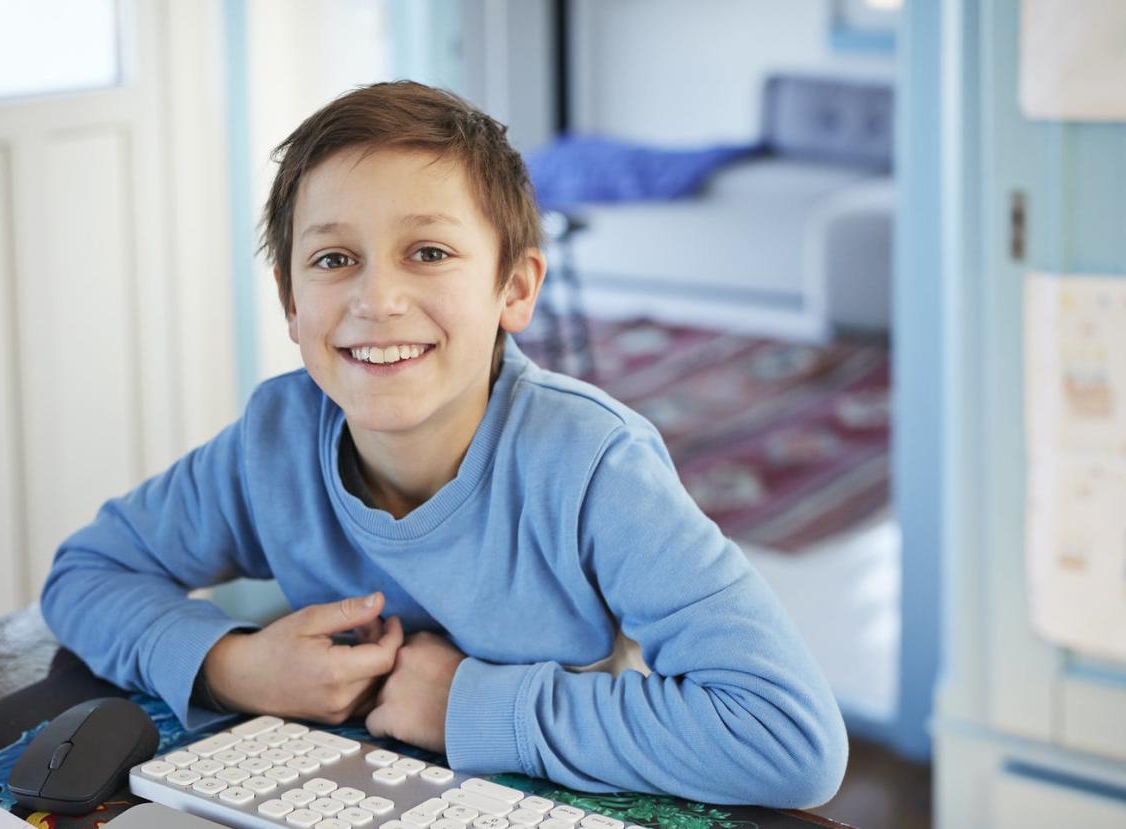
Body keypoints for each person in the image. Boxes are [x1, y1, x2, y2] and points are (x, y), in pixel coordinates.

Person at [42, 81, 847, 808]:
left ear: (516, 287)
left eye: (428, 253)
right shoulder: (275, 442)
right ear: (291, 304)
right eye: (333, 258)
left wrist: (468, 703)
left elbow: (788, 738)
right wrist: (232, 665)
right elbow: (87, 570)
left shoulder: (595, 466)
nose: (378, 299)